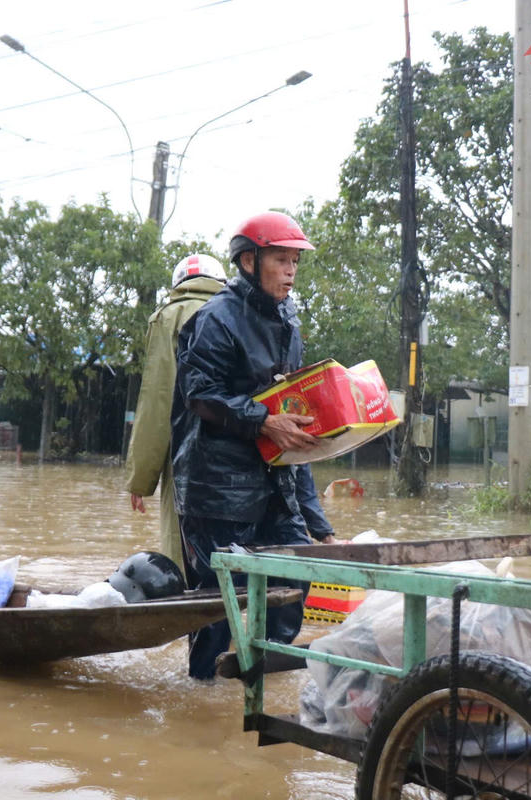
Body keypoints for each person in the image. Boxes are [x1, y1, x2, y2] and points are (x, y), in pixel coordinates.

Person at [171, 211, 336, 680]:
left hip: (275, 485)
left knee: (293, 581)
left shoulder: (289, 322)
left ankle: (261, 681)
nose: (291, 271)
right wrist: (263, 421)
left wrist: (319, 524)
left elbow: (294, 420)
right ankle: (201, 693)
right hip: (217, 489)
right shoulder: (216, 320)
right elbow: (200, 394)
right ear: (249, 261)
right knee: (218, 606)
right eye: (281, 260)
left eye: (295, 262)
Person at [124, 254, 227, 571]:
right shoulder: (242, 313)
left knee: (184, 555)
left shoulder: (170, 317)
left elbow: (158, 398)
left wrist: (141, 479)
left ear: (178, 284)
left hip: (188, 453)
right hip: (247, 451)